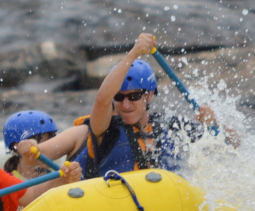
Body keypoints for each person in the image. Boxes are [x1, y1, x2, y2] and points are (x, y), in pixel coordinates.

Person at [31, 33, 236, 178]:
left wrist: (213, 124)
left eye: (135, 96)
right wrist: (134, 53)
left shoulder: (172, 126)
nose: (126, 105)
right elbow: (102, 100)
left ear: (149, 95)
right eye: (119, 97)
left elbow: (232, 145)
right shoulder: (105, 129)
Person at [2, 110, 58, 178]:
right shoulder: (7, 182)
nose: (50, 152)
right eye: (43, 145)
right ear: (17, 146)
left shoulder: (56, 175)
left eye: (50, 146)